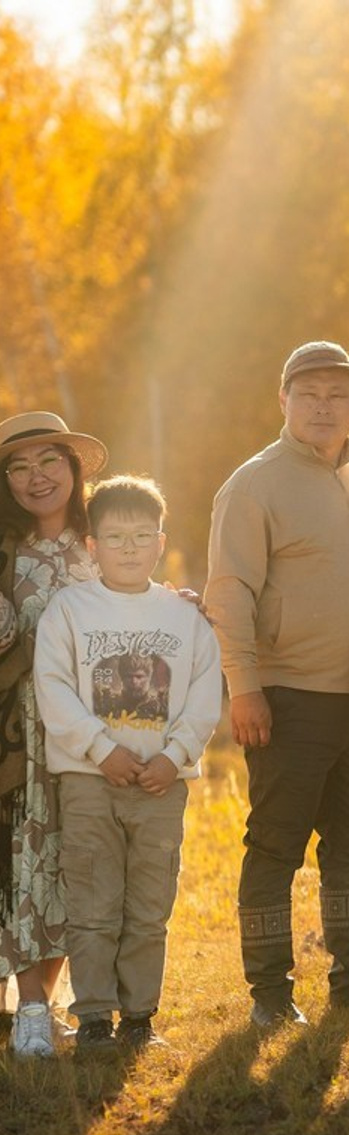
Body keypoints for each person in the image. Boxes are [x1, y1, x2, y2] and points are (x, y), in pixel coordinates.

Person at [206, 341, 349, 1029]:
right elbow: (228, 592)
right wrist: (244, 687)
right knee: (276, 844)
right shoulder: (254, 484)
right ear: (284, 400)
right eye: (309, 394)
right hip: (287, 695)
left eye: (337, 394)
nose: (324, 406)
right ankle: (269, 992)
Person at [34, 475, 222, 1054]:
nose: (130, 548)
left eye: (143, 536)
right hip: (90, 782)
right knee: (93, 903)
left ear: (161, 542)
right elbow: (53, 687)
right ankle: (94, 1017)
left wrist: (174, 756)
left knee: (148, 906)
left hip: (162, 786)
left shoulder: (184, 617)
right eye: (115, 537)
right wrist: (101, 749)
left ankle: (140, 1018)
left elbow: (204, 695)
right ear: (92, 545)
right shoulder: (70, 610)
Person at [0, 412, 106, 1057]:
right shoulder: (4, 552)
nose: (36, 477)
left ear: (71, 469)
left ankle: (50, 997)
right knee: (25, 859)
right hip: (23, 734)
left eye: (49, 461)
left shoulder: (102, 542)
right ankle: (31, 1009)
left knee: (75, 861)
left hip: (96, 732)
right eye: (19, 467)